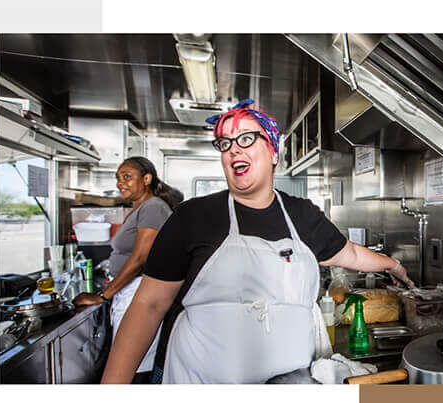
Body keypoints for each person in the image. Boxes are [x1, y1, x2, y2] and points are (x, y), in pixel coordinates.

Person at [100, 99, 413, 385]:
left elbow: (351, 254)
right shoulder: (192, 217)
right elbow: (148, 305)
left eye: (247, 139)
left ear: (273, 152)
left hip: (288, 385)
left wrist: (394, 265)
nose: (234, 149)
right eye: (225, 143)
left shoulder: (302, 215)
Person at [73, 157, 183, 383]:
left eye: (127, 177)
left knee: (133, 368)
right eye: (118, 178)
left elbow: (141, 257)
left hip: (138, 293)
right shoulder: (141, 208)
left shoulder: (153, 207)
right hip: (128, 291)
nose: (120, 183)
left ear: (147, 179)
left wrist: (104, 295)